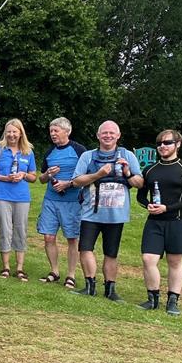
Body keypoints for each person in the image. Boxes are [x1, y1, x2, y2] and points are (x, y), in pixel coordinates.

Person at [71, 120, 143, 301]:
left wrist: (127, 172)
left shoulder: (127, 155)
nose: (108, 136)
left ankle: (110, 289)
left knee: (111, 252)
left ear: (118, 136)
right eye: (104, 133)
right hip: (90, 213)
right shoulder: (88, 156)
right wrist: (98, 175)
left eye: (112, 133)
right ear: (98, 136)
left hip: (116, 215)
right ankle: (90, 286)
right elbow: (76, 181)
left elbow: (140, 183)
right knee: (85, 248)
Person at [136, 130, 182, 315]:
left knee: (174, 261)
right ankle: (152, 298)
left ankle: (173, 300)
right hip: (155, 221)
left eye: (167, 143)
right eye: (159, 144)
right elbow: (141, 196)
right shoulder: (150, 169)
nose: (162, 146)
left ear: (177, 144)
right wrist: (148, 205)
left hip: (179, 221)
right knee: (148, 259)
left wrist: (168, 208)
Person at [0, 118, 37, 282]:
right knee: (5, 230)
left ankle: (20, 268)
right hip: (1, 195)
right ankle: (6, 266)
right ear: (5, 133)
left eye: (15, 132)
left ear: (21, 133)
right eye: (9, 132)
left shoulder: (28, 152)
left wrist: (23, 175)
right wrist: (4, 178)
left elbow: (34, 176)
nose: (12, 135)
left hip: (21, 197)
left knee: (21, 230)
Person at [35, 117, 86, 289]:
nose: (53, 134)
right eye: (51, 131)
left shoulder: (79, 150)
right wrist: (48, 174)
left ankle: (71, 275)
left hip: (72, 201)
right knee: (48, 236)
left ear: (67, 131)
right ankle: (54, 271)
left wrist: (68, 183)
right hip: (51, 200)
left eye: (56, 131)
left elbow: (86, 176)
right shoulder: (50, 152)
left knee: (72, 238)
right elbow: (41, 179)